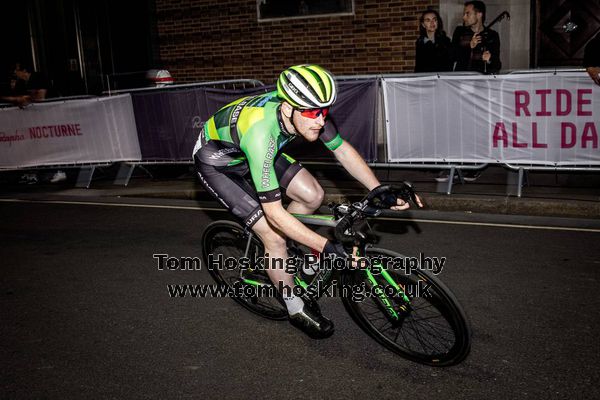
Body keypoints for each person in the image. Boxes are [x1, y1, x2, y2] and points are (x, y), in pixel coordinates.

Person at [192, 65, 422, 339]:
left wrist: (378, 188)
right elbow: (275, 215)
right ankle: (293, 306)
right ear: (288, 108)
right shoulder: (261, 134)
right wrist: (324, 247)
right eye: (313, 113)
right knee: (274, 235)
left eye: (324, 111)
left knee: (314, 195)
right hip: (217, 163)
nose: (321, 120)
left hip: (250, 151)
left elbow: (342, 150)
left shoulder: (306, 112)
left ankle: (286, 255)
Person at [1, 62, 66, 184]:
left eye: (16, 71)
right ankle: (33, 172)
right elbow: (21, 99)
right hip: (36, 120)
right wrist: (17, 99)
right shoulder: (22, 83)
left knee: (52, 144)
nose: (15, 75)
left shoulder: (38, 77)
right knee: (35, 145)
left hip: (51, 115)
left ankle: (59, 170)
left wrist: (22, 99)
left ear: (24, 70)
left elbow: (39, 98)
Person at [452, 1, 501, 74]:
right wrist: (470, 46)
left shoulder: (492, 35)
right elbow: (452, 56)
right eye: (464, 14)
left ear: (479, 15)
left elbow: (498, 65)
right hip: (461, 79)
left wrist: (489, 59)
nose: (464, 17)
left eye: (467, 14)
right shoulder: (460, 31)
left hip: (482, 80)